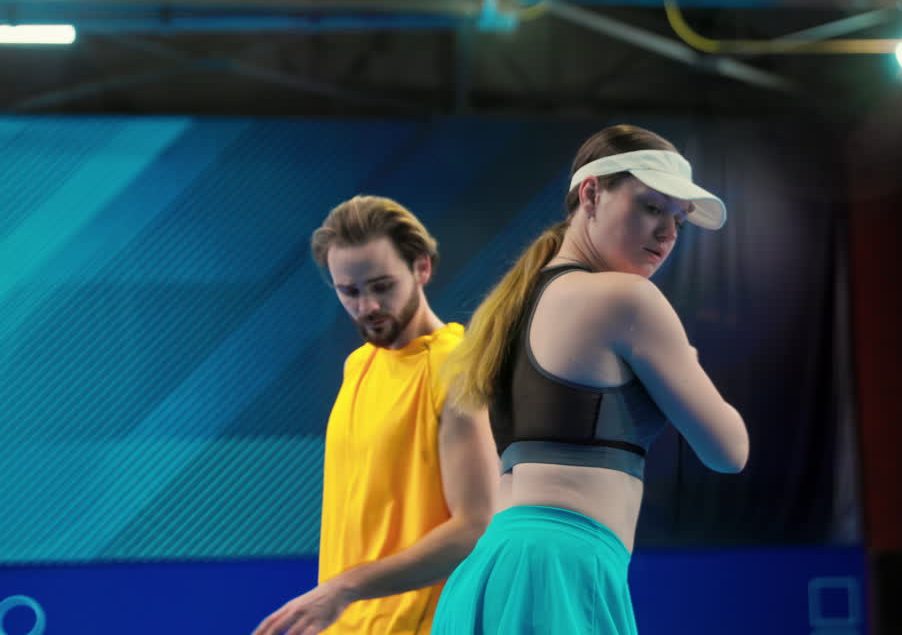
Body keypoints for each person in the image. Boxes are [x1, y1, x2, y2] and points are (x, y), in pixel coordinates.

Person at [432, 125, 750, 634]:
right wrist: (685, 360)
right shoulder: (627, 298)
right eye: (651, 207)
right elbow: (729, 449)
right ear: (591, 194)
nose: (667, 233)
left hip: (491, 574)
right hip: (559, 574)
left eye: (678, 220)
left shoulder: (510, 310)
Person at [254, 195, 499, 635]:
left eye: (382, 286)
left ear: (422, 268)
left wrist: (344, 588)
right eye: (349, 291)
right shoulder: (359, 365)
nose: (366, 306)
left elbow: (475, 526)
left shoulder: (455, 368)